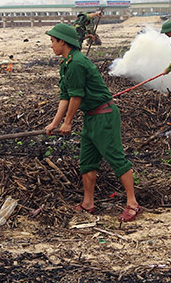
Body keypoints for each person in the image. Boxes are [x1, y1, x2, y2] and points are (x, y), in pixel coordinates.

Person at [44, 23, 142, 222]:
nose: (51, 45)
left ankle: (132, 204)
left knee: (116, 158)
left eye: (53, 41)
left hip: (104, 115)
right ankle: (88, 203)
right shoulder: (67, 64)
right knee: (87, 161)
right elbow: (65, 96)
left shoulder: (78, 63)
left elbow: (77, 96)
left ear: (63, 42)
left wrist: (68, 122)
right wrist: (55, 123)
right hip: (91, 117)